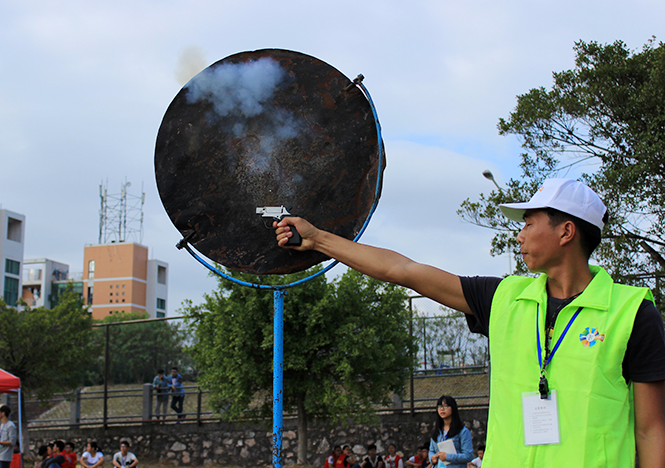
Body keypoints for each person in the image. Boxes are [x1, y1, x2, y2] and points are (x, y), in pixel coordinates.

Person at [274, 178, 665, 467]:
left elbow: (650, 430)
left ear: (566, 231)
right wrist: (319, 240)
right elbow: (403, 270)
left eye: (529, 224)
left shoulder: (632, 313)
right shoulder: (505, 299)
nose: (519, 236)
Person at [428, 396, 473, 468]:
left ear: (453, 408)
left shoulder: (463, 431)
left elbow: (468, 456)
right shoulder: (436, 431)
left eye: (445, 406)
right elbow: (431, 450)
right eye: (439, 406)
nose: (442, 409)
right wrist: (432, 458)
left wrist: (447, 457)